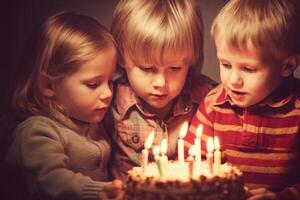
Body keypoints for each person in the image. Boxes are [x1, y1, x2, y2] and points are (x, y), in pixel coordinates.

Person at [184, 0, 300, 199]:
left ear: (288, 66)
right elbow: (189, 163)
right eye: (226, 64)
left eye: (249, 69)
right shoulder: (212, 105)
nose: (233, 80)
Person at [6, 11, 124, 200]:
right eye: (93, 84)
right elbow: (50, 179)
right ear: (49, 85)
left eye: (110, 81)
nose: (108, 93)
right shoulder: (37, 131)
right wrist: (97, 191)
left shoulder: (93, 121)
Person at [107, 0, 216, 183]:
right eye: (148, 68)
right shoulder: (108, 100)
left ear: (190, 61)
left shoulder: (209, 98)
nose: (161, 83)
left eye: (174, 68)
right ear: (123, 57)